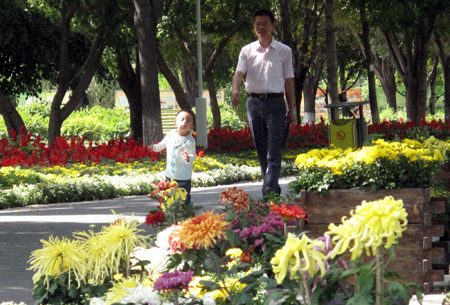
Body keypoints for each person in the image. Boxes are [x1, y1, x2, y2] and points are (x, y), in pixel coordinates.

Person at [232, 9, 295, 197]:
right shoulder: (247, 51)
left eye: (265, 23)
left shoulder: (284, 51)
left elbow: (289, 81)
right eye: (258, 24)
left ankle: (268, 186)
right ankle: (272, 188)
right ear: (254, 27)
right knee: (261, 147)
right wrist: (235, 89)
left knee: (274, 147)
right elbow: (238, 74)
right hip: (253, 103)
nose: (261, 27)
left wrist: (292, 109)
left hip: (276, 103)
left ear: (273, 26)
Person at [148, 110, 197, 205]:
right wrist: (154, 147)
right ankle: (168, 214)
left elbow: (193, 155)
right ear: (175, 123)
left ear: (192, 127)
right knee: (168, 196)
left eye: (188, 120)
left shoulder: (190, 141)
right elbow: (162, 144)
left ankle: (185, 214)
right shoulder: (171, 134)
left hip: (184, 177)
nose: (184, 122)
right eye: (182, 119)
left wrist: (188, 158)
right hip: (169, 175)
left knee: (184, 198)